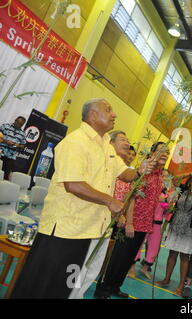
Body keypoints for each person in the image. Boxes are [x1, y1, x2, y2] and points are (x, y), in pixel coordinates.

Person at [10, 98, 152, 299]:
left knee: (63, 287)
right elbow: (73, 184)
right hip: (65, 230)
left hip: (87, 230)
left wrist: (139, 171)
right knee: (42, 286)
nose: (114, 114)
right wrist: (110, 201)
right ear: (93, 115)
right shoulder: (75, 142)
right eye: (109, 110)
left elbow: (123, 173)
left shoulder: (106, 146)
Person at [94, 142, 168, 299]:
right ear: (152, 153)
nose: (165, 154)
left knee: (127, 260)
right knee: (118, 258)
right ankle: (103, 289)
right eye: (162, 151)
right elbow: (132, 197)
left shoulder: (160, 173)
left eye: (167, 152)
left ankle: (115, 286)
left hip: (144, 224)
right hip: (132, 222)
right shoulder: (144, 171)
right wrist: (129, 223)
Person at [68, 129, 133, 299]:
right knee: (81, 264)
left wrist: (141, 170)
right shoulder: (98, 157)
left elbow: (127, 177)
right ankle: (70, 295)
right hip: (88, 220)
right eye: (123, 139)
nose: (127, 143)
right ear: (110, 143)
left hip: (105, 222)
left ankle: (78, 295)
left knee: (94, 267)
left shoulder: (118, 163)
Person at [155, 173, 192, 295]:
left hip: (188, 230)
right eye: (191, 180)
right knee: (172, 253)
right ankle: (166, 279)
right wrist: (189, 174)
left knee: (184, 257)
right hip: (175, 226)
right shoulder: (182, 190)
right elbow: (174, 179)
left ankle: (181, 286)